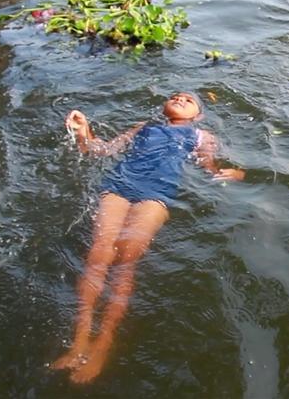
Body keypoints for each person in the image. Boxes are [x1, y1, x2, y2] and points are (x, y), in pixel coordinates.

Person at [53, 92, 245, 383]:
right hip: (118, 186)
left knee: (126, 259)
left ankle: (103, 344)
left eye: (188, 100)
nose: (180, 98)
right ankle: (80, 339)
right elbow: (100, 149)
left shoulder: (201, 135)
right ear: (163, 107)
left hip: (156, 195)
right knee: (100, 251)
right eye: (175, 96)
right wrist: (84, 130)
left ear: (198, 115)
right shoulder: (144, 126)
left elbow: (210, 169)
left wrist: (235, 173)